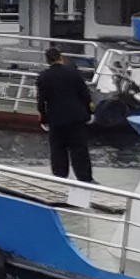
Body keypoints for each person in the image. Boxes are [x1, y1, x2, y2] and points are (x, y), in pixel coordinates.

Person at [35, 48, 98, 184]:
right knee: (79, 149)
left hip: (56, 119)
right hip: (76, 117)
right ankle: (84, 178)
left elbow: (41, 101)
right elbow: (85, 94)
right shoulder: (73, 73)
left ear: (47, 60)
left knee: (58, 149)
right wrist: (90, 112)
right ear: (61, 57)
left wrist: (43, 117)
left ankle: (60, 177)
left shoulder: (43, 77)